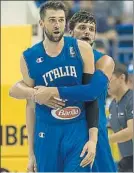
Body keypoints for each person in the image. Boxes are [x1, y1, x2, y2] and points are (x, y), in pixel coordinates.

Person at [9, 1, 99, 172]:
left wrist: (93, 140)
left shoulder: (82, 49)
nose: (57, 25)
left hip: (76, 130)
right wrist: (31, 153)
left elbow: (91, 96)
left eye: (61, 20)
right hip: (46, 132)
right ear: (41, 23)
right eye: (52, 20)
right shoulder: (29, 57)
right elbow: (30, 106)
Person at [68, 10, 116, 172]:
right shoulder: (57, 59)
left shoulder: (103, 60)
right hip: (66, 128)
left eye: (91, 29)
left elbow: (91, 92)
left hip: (96, 128)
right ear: (70, 32)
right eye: (82, 27)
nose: (87, 31)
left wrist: (54, 91)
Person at [108, 63, 133, 172]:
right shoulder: (112, 105)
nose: (106, 83)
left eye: (109, 78)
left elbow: (130, 132)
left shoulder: (131, 99)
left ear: (121, 78)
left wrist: (104, 139)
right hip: (125, 161)